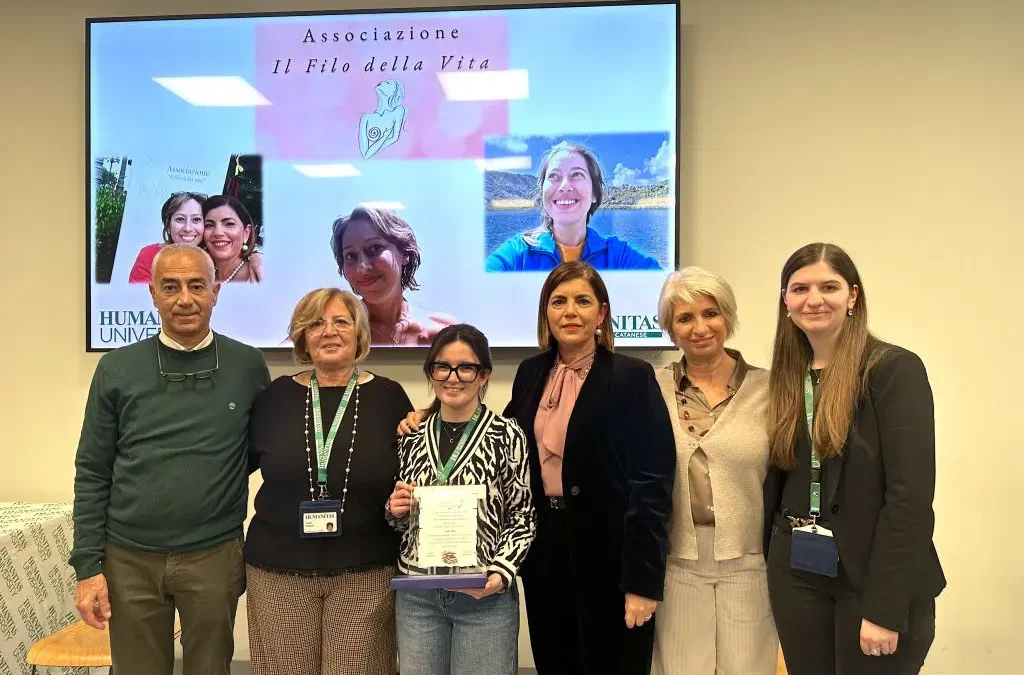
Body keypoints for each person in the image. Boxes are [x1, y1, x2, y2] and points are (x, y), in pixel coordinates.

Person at [400, 262, 675, 674]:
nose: (570, 311)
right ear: (546, 312)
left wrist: (643, 582)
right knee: (556, 661)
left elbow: (652, 484)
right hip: (546, 553)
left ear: (601, 314)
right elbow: (498, 432)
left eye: (582, 301)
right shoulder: (532, 373)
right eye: (558, 301)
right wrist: (432, 412)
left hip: (612, 556)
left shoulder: (633, 376)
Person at [70, 243, 270, 675]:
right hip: (129, 558)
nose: (185, 298)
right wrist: (88, 566)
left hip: (213, 555)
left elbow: (256, 449)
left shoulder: (247, 366)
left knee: (211, 668)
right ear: (153, 294)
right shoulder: (117, 368)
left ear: (216, 292)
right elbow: (92, 471)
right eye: (171, 286)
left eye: (197, 285)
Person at [763, 242, 945, 675]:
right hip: (798, 573)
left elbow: (910, 498)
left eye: (829, 286)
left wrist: (884, 609)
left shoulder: (892, 370)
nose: (814, 299)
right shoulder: (788, 376)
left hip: (870, 580)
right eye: (800, 288)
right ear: (785, 300)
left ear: (853, 296)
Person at [245, 288, 414, 675]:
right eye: (316, 323)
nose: (329, 332)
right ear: (302, 335)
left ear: (359, 332)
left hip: (365, 572)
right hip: (277, 571)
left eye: (342, 321)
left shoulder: (390, 397)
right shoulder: (275, 397)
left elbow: (412, 473)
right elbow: (237, 466)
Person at [649, 267, 778, 675]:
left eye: (711, 313)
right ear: (669, 327)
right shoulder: (650, 389)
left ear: (728, 317)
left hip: (751, 563)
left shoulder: (772, 390)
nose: (699, 327)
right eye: (684, 318)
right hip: (677, 562)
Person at [386, 324, 535, 675]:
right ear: (431, 372)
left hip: (484, 596)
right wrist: (395, 510)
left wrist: (501, 573)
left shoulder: (507, 435)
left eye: (466, 367)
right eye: (443, 367)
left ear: (484, 375)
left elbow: (523, 517)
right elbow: (401, 519)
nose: (453, 378)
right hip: (417, 596)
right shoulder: (411, 434)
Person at [485, 141, 662, 272]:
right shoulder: (517, 253)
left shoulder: (617, 254)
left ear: (594, 193)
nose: (564, 186)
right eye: (554, 176)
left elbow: (666, 287)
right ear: (543, 192)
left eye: (577, 175)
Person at [330, 205, 454, 345]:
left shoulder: (444, 333)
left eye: (374, 248)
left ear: (405, 253)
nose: (362, 268)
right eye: (350, 256)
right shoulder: (333, 336)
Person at [129, 192, 264, 284]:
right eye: (180, 219)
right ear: (168, 225)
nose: (188, 228)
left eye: (196, 220)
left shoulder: (212, 257)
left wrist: (255, 256)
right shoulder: (149, 256)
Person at [202, 194, 264, 283]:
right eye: (209, 225)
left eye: (229, 224)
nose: (218, 232)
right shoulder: (204, 273)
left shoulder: (259, 276)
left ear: (246, 233)